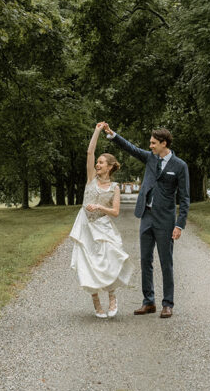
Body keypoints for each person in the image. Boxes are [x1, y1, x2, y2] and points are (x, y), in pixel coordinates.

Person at [101, 122, 189, 319]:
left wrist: (179, 224)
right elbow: (130, 148)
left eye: (153, 143)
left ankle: (168, 303)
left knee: (166, 262)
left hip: (165, 219)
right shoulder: (150, 158)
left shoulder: (180, 166)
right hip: (146, 216)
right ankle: (148, 302)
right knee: (145, 260)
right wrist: (112, 134)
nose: (150, 146)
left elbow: (184, 198)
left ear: (164, 143)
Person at [69, 123, 134, 318]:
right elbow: (90, 152)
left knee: (108, 260)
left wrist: (99, 207)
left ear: (110, 167)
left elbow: (115, 212)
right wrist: (97, 130)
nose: (97, 164)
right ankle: (96, 302)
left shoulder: (114, 187)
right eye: (97, 162)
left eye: (101, 162)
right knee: (88, 263)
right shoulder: (91, 179)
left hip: (103, 227)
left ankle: (112, 297)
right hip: (85, 226)